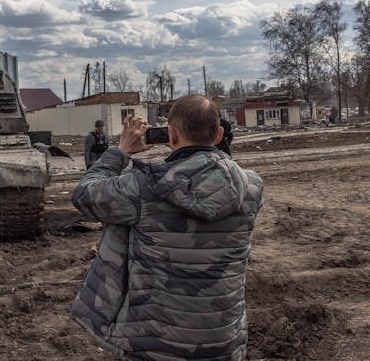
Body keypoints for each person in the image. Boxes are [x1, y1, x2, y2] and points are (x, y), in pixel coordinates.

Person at [70, 95, 264, 360]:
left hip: (151, 346)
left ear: (170, 135)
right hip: (224, 345)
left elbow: (84, 194)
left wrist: (120, 152)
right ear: (219, 135)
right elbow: (220, 174)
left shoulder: (143, 186)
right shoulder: (252, 188)